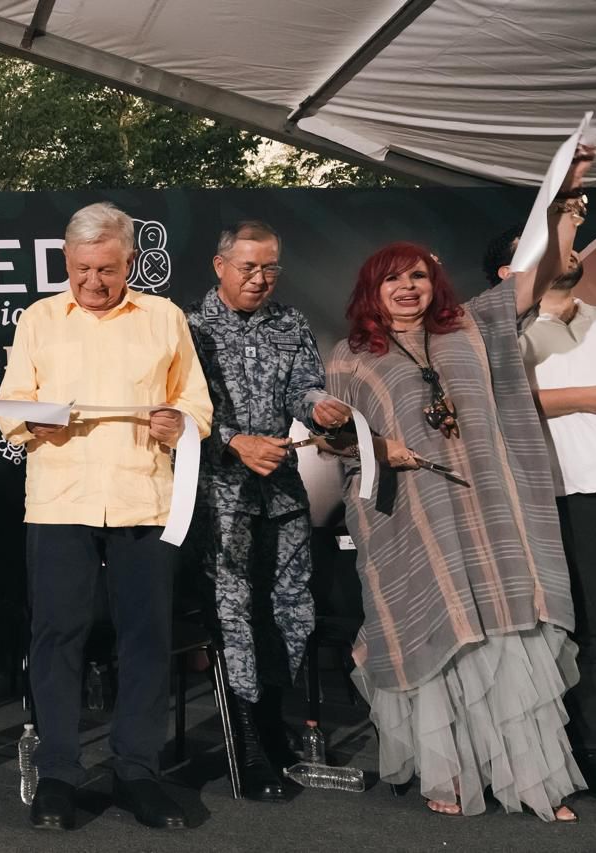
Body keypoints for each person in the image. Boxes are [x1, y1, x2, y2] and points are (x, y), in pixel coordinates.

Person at [323, 144, 596, 821]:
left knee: (508, 640)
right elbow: (343, 446)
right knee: (438, 634)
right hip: (415, 520)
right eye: (394, 280)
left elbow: (543, 276)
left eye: (418, 275)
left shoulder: (474, 325)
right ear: (372, 291)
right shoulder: (352, 359)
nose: (408, 288)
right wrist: (371, 440)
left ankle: (537, 783)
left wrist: (564, 205)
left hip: (493, 512)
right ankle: (447, 775)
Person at [0, 202, 213, 831]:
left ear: (131, 263)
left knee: (145, 639)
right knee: (56, 636)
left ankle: (137, 772)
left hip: (143, 497)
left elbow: (196, 406)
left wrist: (181, 424)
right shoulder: (39, 318)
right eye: (83, 269)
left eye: (109, 270)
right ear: (67, 261)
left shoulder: (165, 318)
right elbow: (11, 406)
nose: (94, 282)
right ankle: (59, 774)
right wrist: (29, 419)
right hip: (60, 501)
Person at [188, 220, 352, 801]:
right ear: (220, 266)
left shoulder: (290, 323)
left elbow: (302, 391)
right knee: (234, 617)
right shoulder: (189, 329)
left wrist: (323, 407)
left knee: (290, 609)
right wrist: (235, 441)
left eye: (270, 268)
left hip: (282, 493)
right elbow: (182, 416)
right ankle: (249, 743)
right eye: (248, 268)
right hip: (220, 499)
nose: (260, 279)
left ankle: (276, 723)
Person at [486, 221, 596, 795]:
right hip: (565, 495)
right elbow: (482, 403)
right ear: (506, 276)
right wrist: (583, 399)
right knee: (589, 630)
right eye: (539, 250)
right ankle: (595, 749)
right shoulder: (503, 340)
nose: (561, 253)